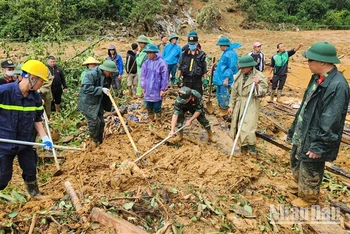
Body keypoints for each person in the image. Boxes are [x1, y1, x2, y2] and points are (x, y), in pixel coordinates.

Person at [287, 42, 349, 207]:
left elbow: (331, 119)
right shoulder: (317, 78)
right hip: (305, 129)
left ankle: (308, 197)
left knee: (311, 165)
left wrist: (319, 145)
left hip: (316, 135)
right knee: (297, 157)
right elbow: (305, 106)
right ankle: (299, 185)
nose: (307, 64)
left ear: (321, 62)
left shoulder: (337, 86)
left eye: (310, 60)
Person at [0, 60, 53, 198]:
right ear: (32, 78)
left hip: (25, 141)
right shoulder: (4, 92)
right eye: (42, 81)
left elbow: (37, 119)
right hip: (4, 142)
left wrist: (44, 137)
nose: (42, 84)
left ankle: (35, 194)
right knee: (3, 177)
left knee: (30, 170)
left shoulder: (35, 97)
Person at [228, 56, 268, 155]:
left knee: (248, 127)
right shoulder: (239, 75)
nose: (241, 69)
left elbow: (263, 93)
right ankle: (243, 148)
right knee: (237, 126)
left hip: (251, 103)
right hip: (239, 102)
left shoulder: (259, 76)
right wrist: (231, 105)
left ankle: (252, 149)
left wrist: (257, 85)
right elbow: (234, 91)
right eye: (240, 68)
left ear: (250, 67)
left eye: (243, 68)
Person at [77, 60, 118, 147]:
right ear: (106, 70)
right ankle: (94, 141)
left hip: (98, 101)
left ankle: (100, 141)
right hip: (88, 102)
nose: (111, 74)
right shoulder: (91, 74)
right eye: (110, 72)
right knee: (94, 122)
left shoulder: (107, 76)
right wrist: (100, 89)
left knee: (102, 122)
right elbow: (86, 88)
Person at [140, 44, 168, 125]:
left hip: (157, 88)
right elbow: (143, 76)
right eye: (148, 53)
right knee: (148, 105)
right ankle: (150, 119)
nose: (149, 55)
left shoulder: (162, 63)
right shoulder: (146, 63)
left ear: (154, 53)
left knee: (157, 106)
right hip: (148, 88)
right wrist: (143, 86)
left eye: (150, 53)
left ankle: (158, 120)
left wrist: (163, 89)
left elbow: (165, 77)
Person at [213, 36, 241, 116]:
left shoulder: (231, 54)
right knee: (219, 93)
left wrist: (227, 78)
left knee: (224, 94)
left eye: (220, 46)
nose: (220, 47)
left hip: (224, 79)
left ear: (224, 45)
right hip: (220, 77)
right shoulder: (226, 52)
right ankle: (221, 108)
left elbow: (231, 67)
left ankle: (225, 110)